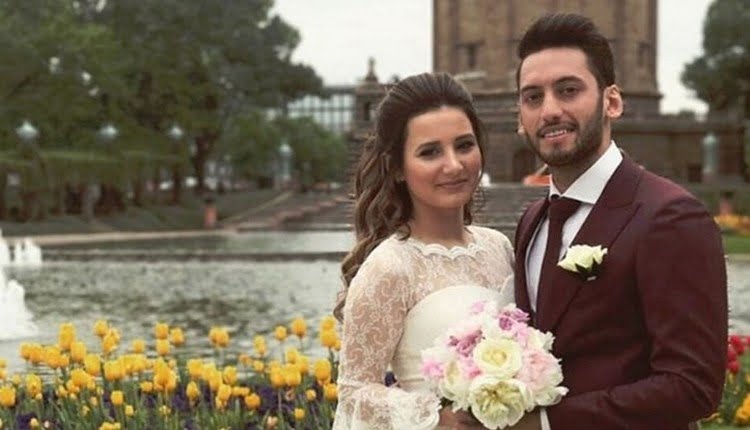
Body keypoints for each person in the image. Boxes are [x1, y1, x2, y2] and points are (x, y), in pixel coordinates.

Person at [510, 13, 727, 430]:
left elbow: (693, 386)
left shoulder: (670, 217)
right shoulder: (532, 222)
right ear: (520, 117)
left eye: (568, 90)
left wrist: (546, 423)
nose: (550, 110)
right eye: (533, 97)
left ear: (612, 101)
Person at [332, 72, 515, 429]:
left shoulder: (499, 247)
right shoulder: (390, 266)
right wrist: (434, 416)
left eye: (464, 145)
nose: (454, 165)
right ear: (398, 168)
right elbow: (354, 392)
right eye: (430, 152)